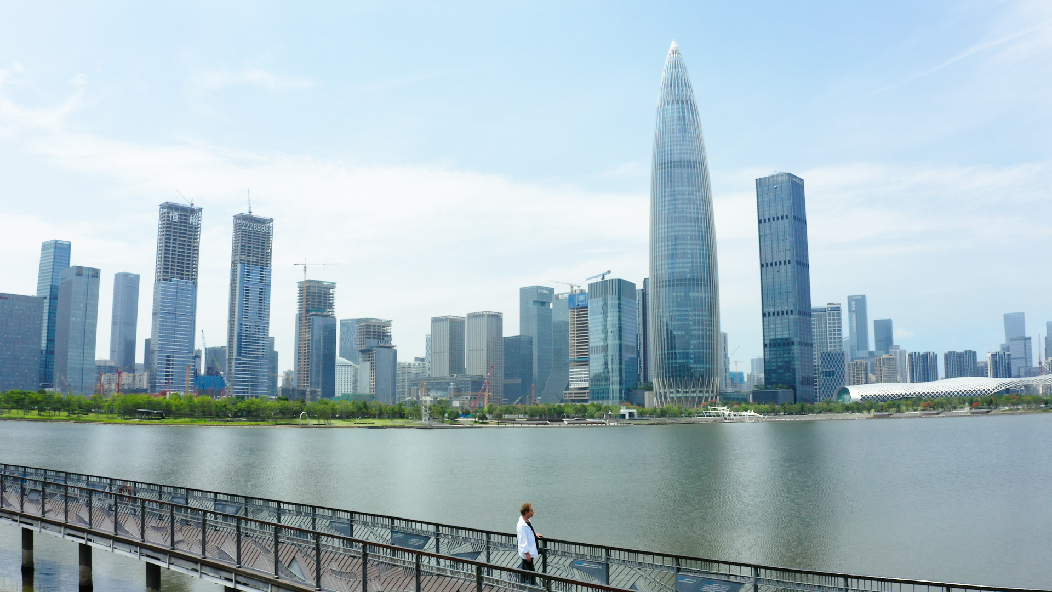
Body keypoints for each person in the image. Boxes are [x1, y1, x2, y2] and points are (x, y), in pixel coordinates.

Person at [516, 502, 542, 584]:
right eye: (531, 510)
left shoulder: (527, 521)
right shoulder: (522, 525)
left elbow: (528, 533)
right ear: (526, 512)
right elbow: (522, 540)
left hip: (529, 553)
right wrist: (527, 554)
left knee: (526, 572)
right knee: (531, 574)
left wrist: (534, 534)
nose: (533, 512)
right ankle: (531, 587)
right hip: (527, 554)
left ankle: (523, 586)